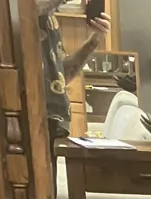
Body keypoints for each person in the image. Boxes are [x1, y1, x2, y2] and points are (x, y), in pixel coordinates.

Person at [36, 0, 111, 146]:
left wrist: (93, 41)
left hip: (51, 123)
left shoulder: (49, 18)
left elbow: (62, 76)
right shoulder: (16, 13)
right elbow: (20, 9)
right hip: (23, 120)